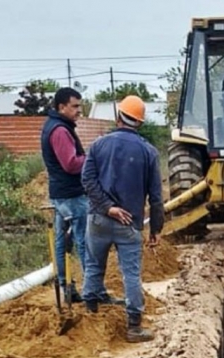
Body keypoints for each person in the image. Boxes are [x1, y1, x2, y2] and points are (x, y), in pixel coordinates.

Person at [80, 95, 165, 343]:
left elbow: (87, 181)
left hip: (98, 219)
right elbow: (156, 197)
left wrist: (107, 208)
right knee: (130, 274)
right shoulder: (148, 152)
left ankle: (90, 316)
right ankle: (134, 327)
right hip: (129, 224)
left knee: (94, 265)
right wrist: (156, 229)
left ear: (118, 117)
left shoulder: (97, 145)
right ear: (139, 122)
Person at [40, 87, 88, 303]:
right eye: (75, 106)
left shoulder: (55, 126)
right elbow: (70, 164)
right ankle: (93, 291)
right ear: (61, 107)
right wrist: (91, 159)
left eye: (80, 105)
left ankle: (66, 287)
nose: (79, 110)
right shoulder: (60, 130)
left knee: (61, 242)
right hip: (71, 195)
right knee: (84, 240)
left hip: (61, 194)